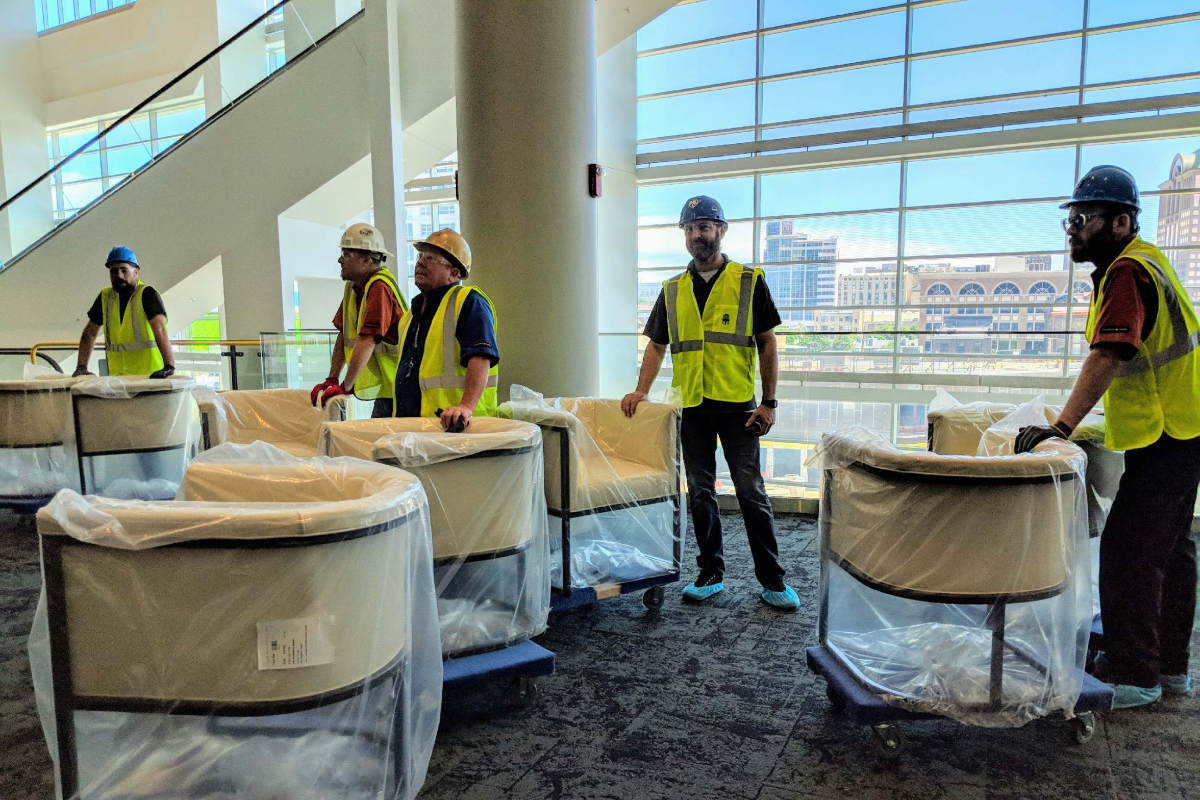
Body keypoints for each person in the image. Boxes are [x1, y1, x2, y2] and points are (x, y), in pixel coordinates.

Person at [1015, 165, 1200, 709]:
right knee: (1171, 551)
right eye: (1070, 219)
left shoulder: (1127, 273)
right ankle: (1170, 668)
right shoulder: (1145, 264)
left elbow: (1110, 353)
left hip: (1169, 435)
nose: (1072, 228)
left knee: (1130, 553)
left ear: (1121, 222)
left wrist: (1062, 427)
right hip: (1182, 429)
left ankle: (1135, 674)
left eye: (1084, 218)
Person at [621, 195, 799, 611]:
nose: (696, 234)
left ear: (721, 230)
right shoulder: (672, 289)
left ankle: (773, 579)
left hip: (739, 406)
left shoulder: (748, 280)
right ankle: (710, 573)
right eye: (689, 228)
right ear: (683, 235)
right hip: (693, 409)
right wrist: (641, 389)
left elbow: (767, 343)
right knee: (700, 492)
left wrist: (769, 401)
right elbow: (656, 346)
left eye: (704, 226)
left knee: (751, 491)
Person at [392, 228, 499, 431]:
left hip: (457, 429)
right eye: (420, 256)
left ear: (454, 273)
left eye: (431, 258)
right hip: (415, 427)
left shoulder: (469, 302)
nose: (420, 262)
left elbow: (481, 357)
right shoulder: (411, 315)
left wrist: (466, 407)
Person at [311, 223, 409, 418]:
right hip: (389, 389)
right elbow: (343, 333)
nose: (340, 260)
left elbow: (367, 339)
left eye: (347, 254)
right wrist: (332, 378)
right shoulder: (353, 287)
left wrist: (345, 387)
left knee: (384, 445)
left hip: (400, 388)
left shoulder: (379, 288)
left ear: (366, 260)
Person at [75, 246, 175, 378]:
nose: (119, 275)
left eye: (124, 270)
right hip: (119, 380)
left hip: (150, 378)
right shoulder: (106, 297)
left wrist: (169, 366)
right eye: (114, 271)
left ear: (136, 272)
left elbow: (160, 330)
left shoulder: (146, 294)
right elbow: (90, 333)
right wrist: (81, 367)